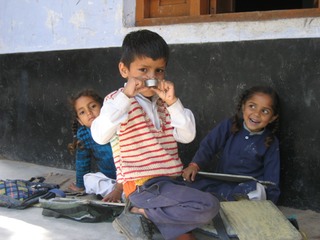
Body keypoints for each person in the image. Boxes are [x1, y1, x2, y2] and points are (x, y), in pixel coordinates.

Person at [91, 30, 220, 240]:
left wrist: (173, 104)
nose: (151, 78)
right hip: (141, 186)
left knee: (214, 198)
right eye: (143, 70)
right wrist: (125, 98)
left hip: (170, 182)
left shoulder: (164, 103)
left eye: (159, 70)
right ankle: (140, 211)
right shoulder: (117, 101)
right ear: (124, 70)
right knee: (208, 205)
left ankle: (157, 220)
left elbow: (187, 136)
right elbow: (99, 136)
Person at [182, 86, 281, 204]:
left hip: (246, 188)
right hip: (221, 182)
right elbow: (208, 145)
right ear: (243, 106)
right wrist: (194, 165)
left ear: (272, 118)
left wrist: (270, 204)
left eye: (265, 111)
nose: (256, 114)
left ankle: (225, 202)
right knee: (187, 182)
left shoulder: (270, 141)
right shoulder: (230, 125)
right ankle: (222, 201)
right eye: (252, 106)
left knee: (256, 191)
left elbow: (272, 179)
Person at [67, 89, 123, 203]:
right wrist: (79, 185)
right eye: (82, 112)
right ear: (80, 120)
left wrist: (120, 186)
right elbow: (82, 161)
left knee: (136, 187)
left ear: (104, 108)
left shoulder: (116, 126)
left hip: (129, 176)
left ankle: (123, 193)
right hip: (110, 178)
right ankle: (120, 194)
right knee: (89, 180)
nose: (89, 113)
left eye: (93, 106)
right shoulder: (84, 134)